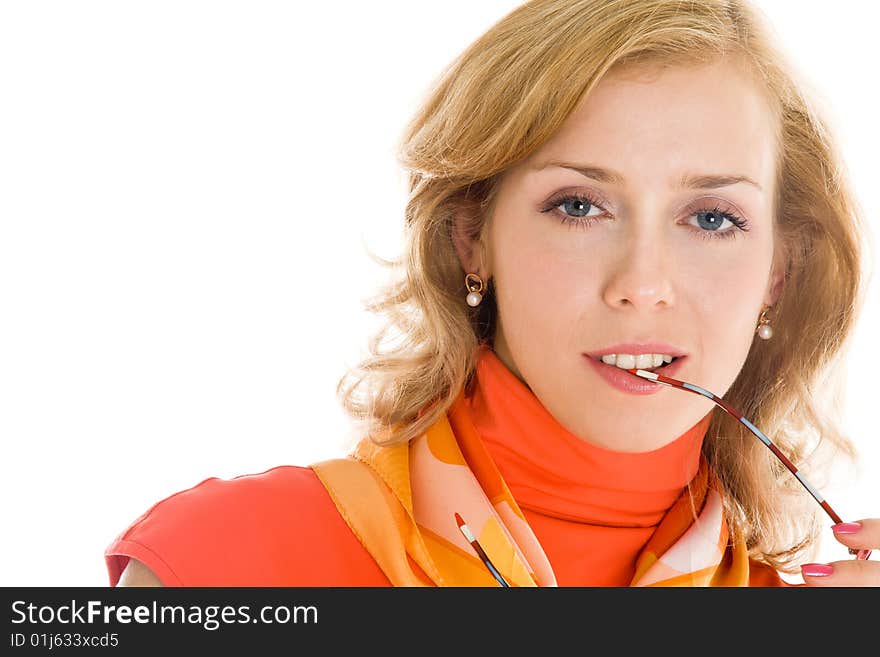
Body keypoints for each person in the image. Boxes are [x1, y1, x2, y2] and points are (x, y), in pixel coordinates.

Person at [106, 0, 879, 588]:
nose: (642, 285)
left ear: (779, 272)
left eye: (711, 217)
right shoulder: (221, 569)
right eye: (579, 205)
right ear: (472, 237)